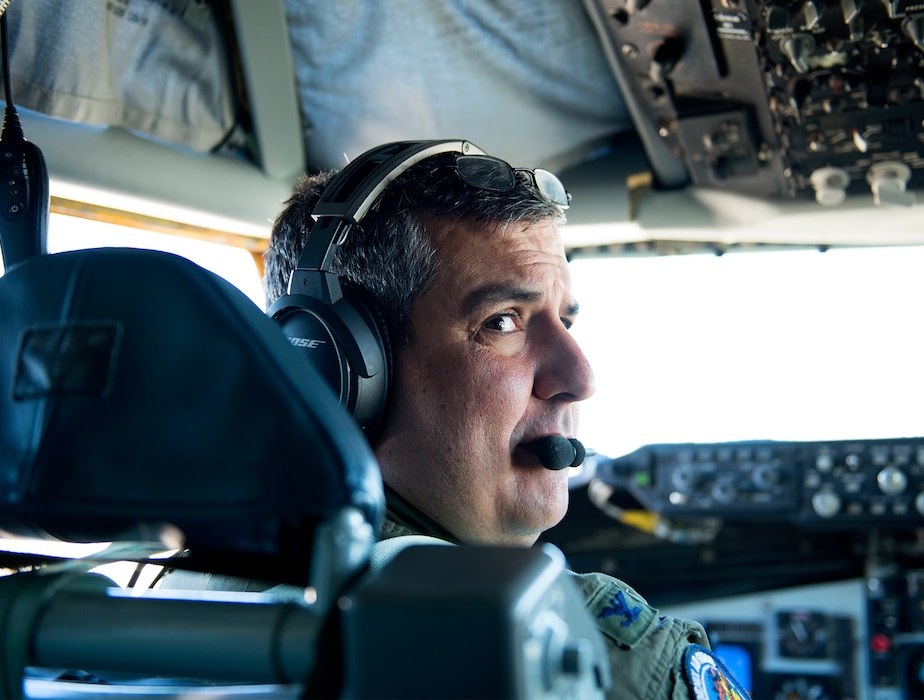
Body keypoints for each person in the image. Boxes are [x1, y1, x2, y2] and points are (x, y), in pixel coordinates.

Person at [263, 141, 747, 699]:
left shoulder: (168, 587)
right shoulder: (570, 642)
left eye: (565, 319)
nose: (580, 376)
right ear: (339, 372)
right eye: (502, 322)